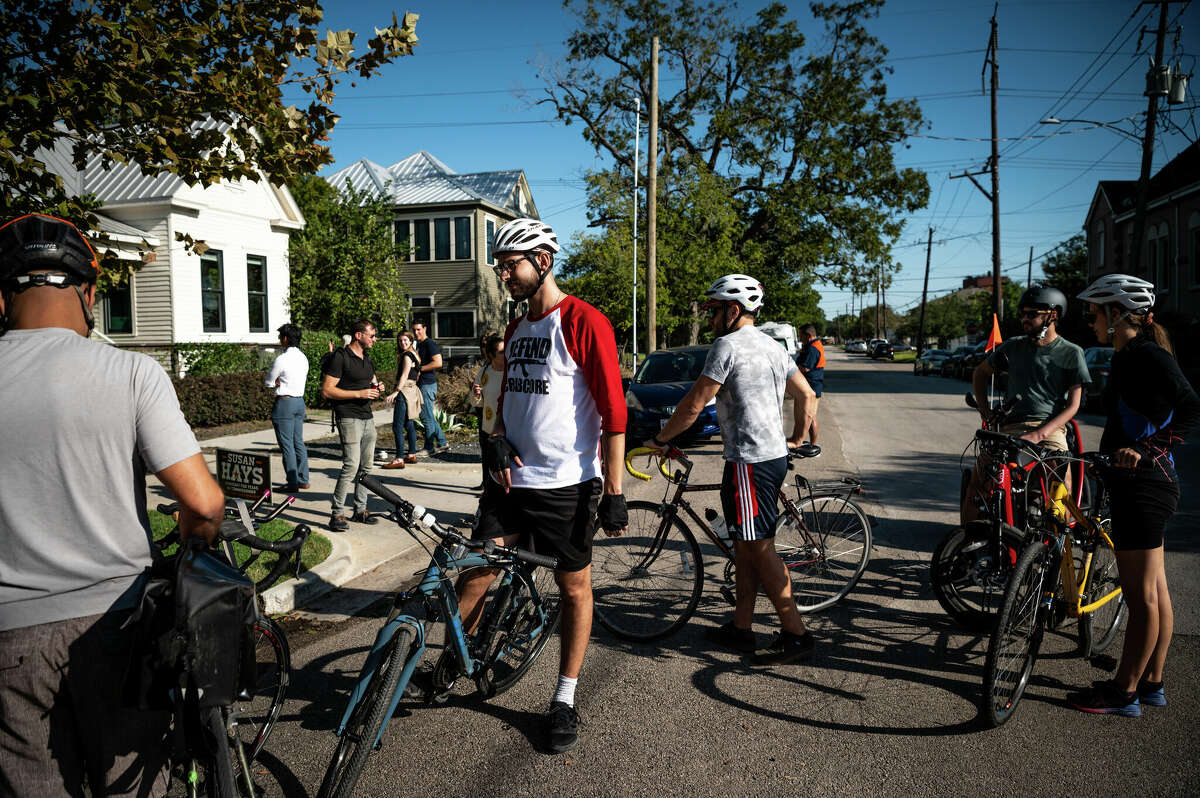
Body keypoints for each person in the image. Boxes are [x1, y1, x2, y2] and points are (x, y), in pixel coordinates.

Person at [0, 213, 225, 797]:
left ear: (2, 296)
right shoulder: (130, 372)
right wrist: (190, 538)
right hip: (116, 625)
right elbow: (203, 503)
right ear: (91, 292)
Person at [455, 217, 628, 754]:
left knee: (573, 587)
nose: (504, 274)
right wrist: (500, 436)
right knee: (478, 571)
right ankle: (452, 656)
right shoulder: (516, 328)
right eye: (501, 266)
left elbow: (614, 411)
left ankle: (565, 697)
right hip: (510, 479)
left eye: (512, 265)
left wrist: (615, 489)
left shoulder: (583, 321)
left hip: (566, 484)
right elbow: (505, 395)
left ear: (544, 262)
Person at [646, 273, 817, 666]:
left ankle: (797, 634)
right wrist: (794, 439)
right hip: (765, 458)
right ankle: (741, 628)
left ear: (733, 310)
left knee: (759, 547)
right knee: (744, 546)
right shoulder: (773, 347)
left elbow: (693, 404)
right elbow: (807, 395)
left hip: (750, 462)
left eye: (713, 310)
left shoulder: (727, 346)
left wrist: (660, 440)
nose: (709, 319)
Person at [1066, 274, 1200, 716]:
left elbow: (1191, 406)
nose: (1089, 320)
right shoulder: (1131, 355)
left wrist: (1145, 450)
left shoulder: (1146, 354)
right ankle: (1152, 684)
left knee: (1141, 598)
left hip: (1145, 487)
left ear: (1118, 314)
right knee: (1155, 593)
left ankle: (1123, 692)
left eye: (1094, 312)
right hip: (1141, 486)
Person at [962, 285, 1090, 525]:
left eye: (1031, 314)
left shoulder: (1072, 352)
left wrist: (1040, 433)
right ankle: (966, 545)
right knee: (978, 484)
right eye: (1022, 313)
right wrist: (985, 409)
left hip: (1049, 430)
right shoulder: (1013, 346)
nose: (1024, 319)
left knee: (1061, 479)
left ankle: (1058, 546)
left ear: (1052, 315)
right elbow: (980, 373)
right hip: (1010, 428)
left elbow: (1073, 406)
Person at [321, 319, 383, 531]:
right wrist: (359, 393)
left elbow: (372, 382)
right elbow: (328, 390)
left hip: (367, 416)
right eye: (371, 335)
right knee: (351, 466)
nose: (375, 339)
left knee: (366, 467)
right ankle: (337, 513)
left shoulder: (367, 358)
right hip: (348, 416)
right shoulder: (340, 357)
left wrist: (377, 387)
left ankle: (360, 510)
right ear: (359, 335)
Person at [265, 322, 310, 491]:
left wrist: (276, 382)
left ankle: (292, 483)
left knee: (287, 445)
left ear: (285, 338)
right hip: (299, 402)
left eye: (280, 337)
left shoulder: (282, 359)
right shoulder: (303, 357)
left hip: (284, 403)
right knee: (298, 442)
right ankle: (303, 478)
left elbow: (269, 382)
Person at [382, 330, 423, 469]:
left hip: (404, 391)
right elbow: (416, 375)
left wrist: (396, 392)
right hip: (412, 390)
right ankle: (411, 454)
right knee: (409, 424)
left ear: (411, 341)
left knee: (397, 426)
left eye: (405, 340)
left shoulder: (406, 356)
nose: (403, 343)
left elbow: (404, 375)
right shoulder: (416, 355)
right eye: (400, 341)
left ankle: (399, 458)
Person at [468, 331, 503, 489]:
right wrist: (476, 394)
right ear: (491, 355)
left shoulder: (513, 372)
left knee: (503, 466)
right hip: (488, 425)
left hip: (508, 428)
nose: (507, 354)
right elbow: (478, 402)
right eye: (502, 352)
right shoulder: (484, 372)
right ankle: (487, 493)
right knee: (488, 462)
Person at [413, 320, 449, 455]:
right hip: (424, 384)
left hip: (427, 385)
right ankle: (442, 442)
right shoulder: (420, 345)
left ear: (425, 328)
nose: (416, 333)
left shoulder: (429, 344)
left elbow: (438, 362)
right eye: (414, 330)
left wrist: (420, 369)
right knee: (428, 416)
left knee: (425, 417)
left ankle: (429, 447)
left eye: (419, 329)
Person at [797, 323, 825, 449]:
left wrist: (791, 370)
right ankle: (805, 441)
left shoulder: (813, 349)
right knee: (807, 415)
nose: (799, 338)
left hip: (812, 387)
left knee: (811, 416)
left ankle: (814, 445)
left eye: (801, 335)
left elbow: (805, 368)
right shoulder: (813, 346)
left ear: (808, 336)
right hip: (812, 385)